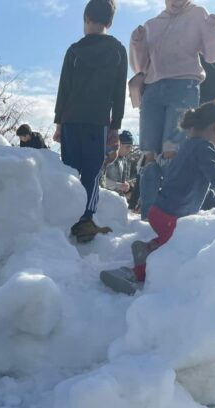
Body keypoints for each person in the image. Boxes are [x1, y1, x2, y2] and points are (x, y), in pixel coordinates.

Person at [100, 100, 215, 295]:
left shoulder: (187, 147)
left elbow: (195, 185)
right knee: (176, 251)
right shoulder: (205, 149)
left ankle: (148, 248)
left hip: (161, 212)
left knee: (171, 242)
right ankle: (131, 274)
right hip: (170, 217)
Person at [130, 1, 215, 218]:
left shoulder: (198, 14)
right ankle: (148, 217)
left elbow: (211, 55)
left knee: (172, 151)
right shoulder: (152, 23)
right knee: (149, 153)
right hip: (152, 89)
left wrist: (212, 28)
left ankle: (171, 215)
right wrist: (137, 43)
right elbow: (140, 67)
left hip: (184, 85)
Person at [53, 0, 127, 242]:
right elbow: (118, 92)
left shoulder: (74, 50)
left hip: (72, 119)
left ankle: (65, 216)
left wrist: (59, 123)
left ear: (85, 18)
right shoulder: (117, 50)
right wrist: (115, 126)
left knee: (70, 169)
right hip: (98, 121)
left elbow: (64, 88)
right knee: (92, 171)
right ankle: (85, 219)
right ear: (110, 22)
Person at [102, 130, 138, 197]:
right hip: (105, 198)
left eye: (130, 147)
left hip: (118, 198)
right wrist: (117, 185)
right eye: (127, 146)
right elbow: (100, 179)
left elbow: (124, 181)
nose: (129, 149)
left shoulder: (125, 160)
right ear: (120, 144)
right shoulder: (108, 158)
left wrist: (127, 185)